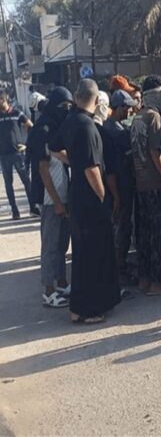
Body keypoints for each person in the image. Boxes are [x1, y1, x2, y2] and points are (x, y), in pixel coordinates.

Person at [49, 79, 120, 324]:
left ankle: (78, 307)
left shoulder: (70, 120)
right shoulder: (87, 125)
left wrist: (74, 162)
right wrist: (103, 196)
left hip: (76, 194)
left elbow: (55, 148)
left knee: (81, 253)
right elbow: (92, 169)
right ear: (97, 100)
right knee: (94, 253)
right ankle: (90, 308)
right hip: (90, 198)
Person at [130, 76, 161, 296]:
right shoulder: (154, 117)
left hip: (140, 182)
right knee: (159, 232)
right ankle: (158, 283)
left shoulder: (138, 116)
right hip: (155, 182)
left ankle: (145, 278)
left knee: (145, 232)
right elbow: (154, 151)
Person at [26, 86, 73, 308]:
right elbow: (43, 168)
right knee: (50, 245)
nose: (67, 110)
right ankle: (48, 290)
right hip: (49, 197)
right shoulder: (41, 130)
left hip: (64, 194)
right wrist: (55, 201)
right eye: (64, 106)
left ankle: (62, 283)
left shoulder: (57, 126)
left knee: (63, 243)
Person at [103, 90, 138, 285]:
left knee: (119, 225)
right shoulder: (117, 131)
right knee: (122, 226)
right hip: (120, 184)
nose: (130, 111)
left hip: (116, 183)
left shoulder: (108, 127)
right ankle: (119, 268)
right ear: (120, 108)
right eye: (128, 108)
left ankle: (119, 265)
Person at [0, 92, 36, 219]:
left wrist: (27, 145)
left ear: (5, 100)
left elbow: (30, 126)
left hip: (18, 154)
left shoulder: (17, 113)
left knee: (26, 181)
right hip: (4, 156)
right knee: (8, 184)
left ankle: (33, 207)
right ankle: (15, 211)